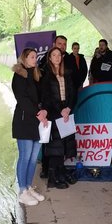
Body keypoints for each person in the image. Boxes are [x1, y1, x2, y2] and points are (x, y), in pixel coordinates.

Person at [12, 48, 49, 206]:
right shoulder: (19, 75)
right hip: (24, 121)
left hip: (37, 121)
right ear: (24, 59)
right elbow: (23, 99)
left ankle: (28, 187)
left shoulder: (36, 75)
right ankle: (22, 191)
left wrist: (44, 110)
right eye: (32, 57)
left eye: (36, 57)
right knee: (25, 156)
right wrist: (38, 113)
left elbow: (42, 96)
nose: (35, 59)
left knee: (33, 158)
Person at [40, 46, 77, 189]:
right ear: (49, 58)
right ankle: (52, 178)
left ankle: (61, 174)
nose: (57, 57)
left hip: (66, 113)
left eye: (59, 55)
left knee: (65, 146)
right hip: (54, 113)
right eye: (54, 55)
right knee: (55, 148)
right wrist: (61, 110)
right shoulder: (46, 75)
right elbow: (46, 98)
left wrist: (68, 108)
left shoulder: (66, 74)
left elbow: (73, 94)